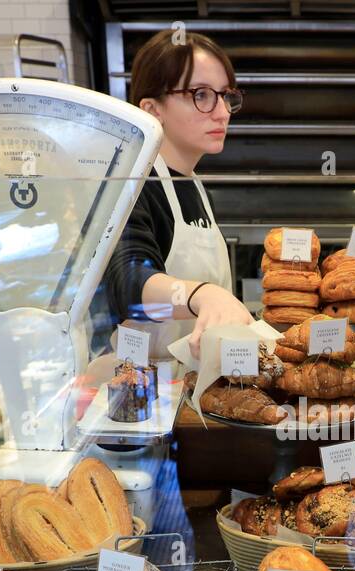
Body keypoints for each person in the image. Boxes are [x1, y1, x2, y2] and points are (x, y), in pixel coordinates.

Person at [108, 29, 254, 358]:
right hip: (146, 392)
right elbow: (127, 282)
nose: (223, 112)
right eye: (201, 95)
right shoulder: (131, 185)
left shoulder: (195, 186)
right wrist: (200, 295)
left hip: (197, 384)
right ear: (152, 109)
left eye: (226, 95)